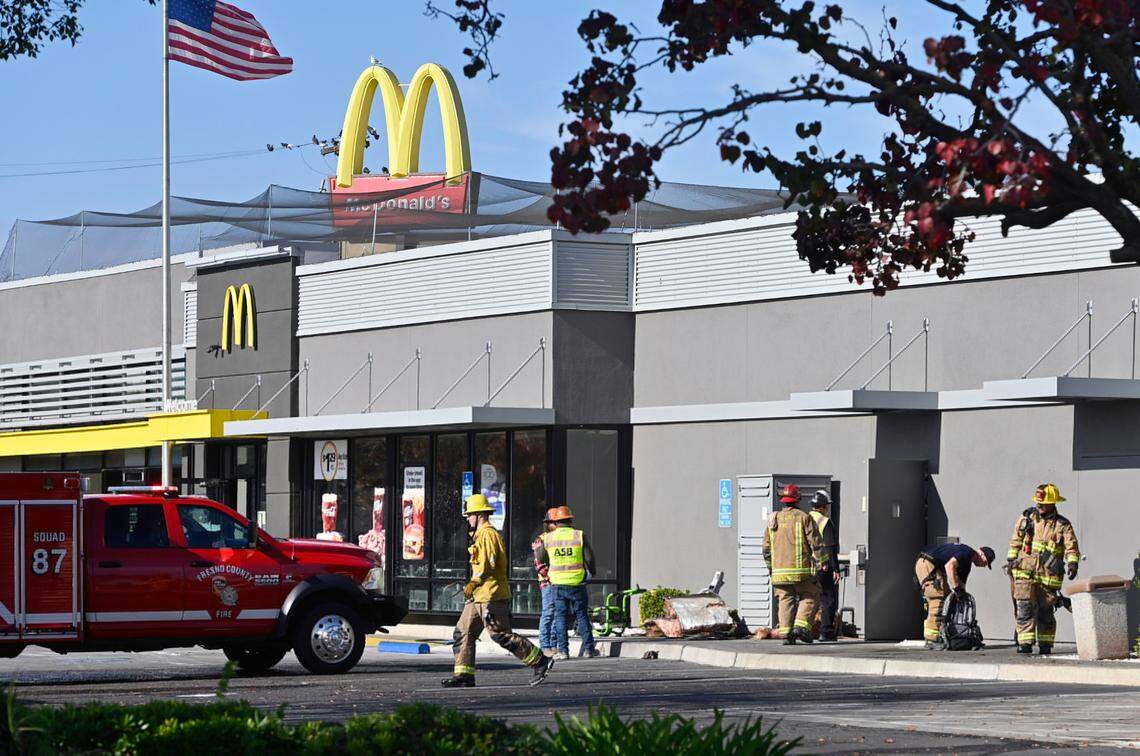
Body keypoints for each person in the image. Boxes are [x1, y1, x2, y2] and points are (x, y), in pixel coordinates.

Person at [441, 494, 555, 688]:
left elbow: (488, 564)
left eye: (470, 515)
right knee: (463, 632)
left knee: (499, 634)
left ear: (480, 515)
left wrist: (473, 583)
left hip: (491, 595)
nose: (468, 519)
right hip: (478, 596)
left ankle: (540, 661)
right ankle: (464, 675)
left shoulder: (488, 534)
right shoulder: (479, 535)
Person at [1006, 483, 1081, 655]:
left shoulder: (1063, 525)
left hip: (1048, 576)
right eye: (1038, 503)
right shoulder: (1027, 518)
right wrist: (1011, 560)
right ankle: (1025, 644)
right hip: (1025, 572)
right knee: (1024, 608)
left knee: (1046, 612)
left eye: (1043, 503)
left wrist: (1072, 563)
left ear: (1052, 503)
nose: (1039, 506)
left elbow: (1071, 547)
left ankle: (1045, 645)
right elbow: (1015, 541)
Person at [763, 484, 828, 645]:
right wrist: (823, 560)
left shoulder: (773, 520)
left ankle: (786, 634)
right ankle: (801, 627)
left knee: (785, 599)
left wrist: (770, 568)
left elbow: (766, 549)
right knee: (811, 594)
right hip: (801, 571)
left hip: (779, 572)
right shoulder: (804, 517)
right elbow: (816, 542)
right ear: (798, 500)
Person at [536, 505, 599, 660]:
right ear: (570, 520)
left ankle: (563, 651)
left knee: (560, 617)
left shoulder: (548, 538)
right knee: (582, 615)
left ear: (555, 522)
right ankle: (589, 649)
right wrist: (591, 572)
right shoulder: (579, 535)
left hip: (557, 583)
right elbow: (589, 558)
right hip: (577, 582)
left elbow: (541, 557)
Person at [914, 542, 995, 649]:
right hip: (927, 564)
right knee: (938, 598)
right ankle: (932, 639)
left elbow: (961, 586)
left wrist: (961, 599)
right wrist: (957, 590)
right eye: (986, 562)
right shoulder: (966, 552)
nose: (984, 566)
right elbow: (949, 566)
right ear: (982, 554)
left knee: (947, 598)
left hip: (934, 567)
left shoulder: (966, 565)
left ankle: (941, 633)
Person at [808, 491, 840, 641]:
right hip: (822, 566)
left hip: (805, 566)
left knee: (808, 598)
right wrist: (836, 568)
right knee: (828, 598)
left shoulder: (805, 519)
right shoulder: (825, 522)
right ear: (822, 507)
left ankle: (805, 630)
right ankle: (826, 632)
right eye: (826, 506)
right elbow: (830, 546)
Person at [532, 507, 560, 655]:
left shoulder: (559, 538)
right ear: (548, 524)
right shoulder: (541, 539)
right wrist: (550, 577)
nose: (558, 525)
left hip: (559, 581)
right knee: (548, 613)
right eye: (556, 522)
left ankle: (554, 644)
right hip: (548, 582)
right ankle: (545, 646)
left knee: (557, 614)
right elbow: (539, 564)